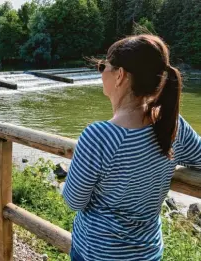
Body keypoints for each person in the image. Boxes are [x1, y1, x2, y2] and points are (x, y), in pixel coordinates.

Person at [62, 34, 201, 261]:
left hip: (98, 253)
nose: (100, 72)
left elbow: (73, 201)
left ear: (120, 75)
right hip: (148, 252)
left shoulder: (98, 136)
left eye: (102, 66)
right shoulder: (173, 125)